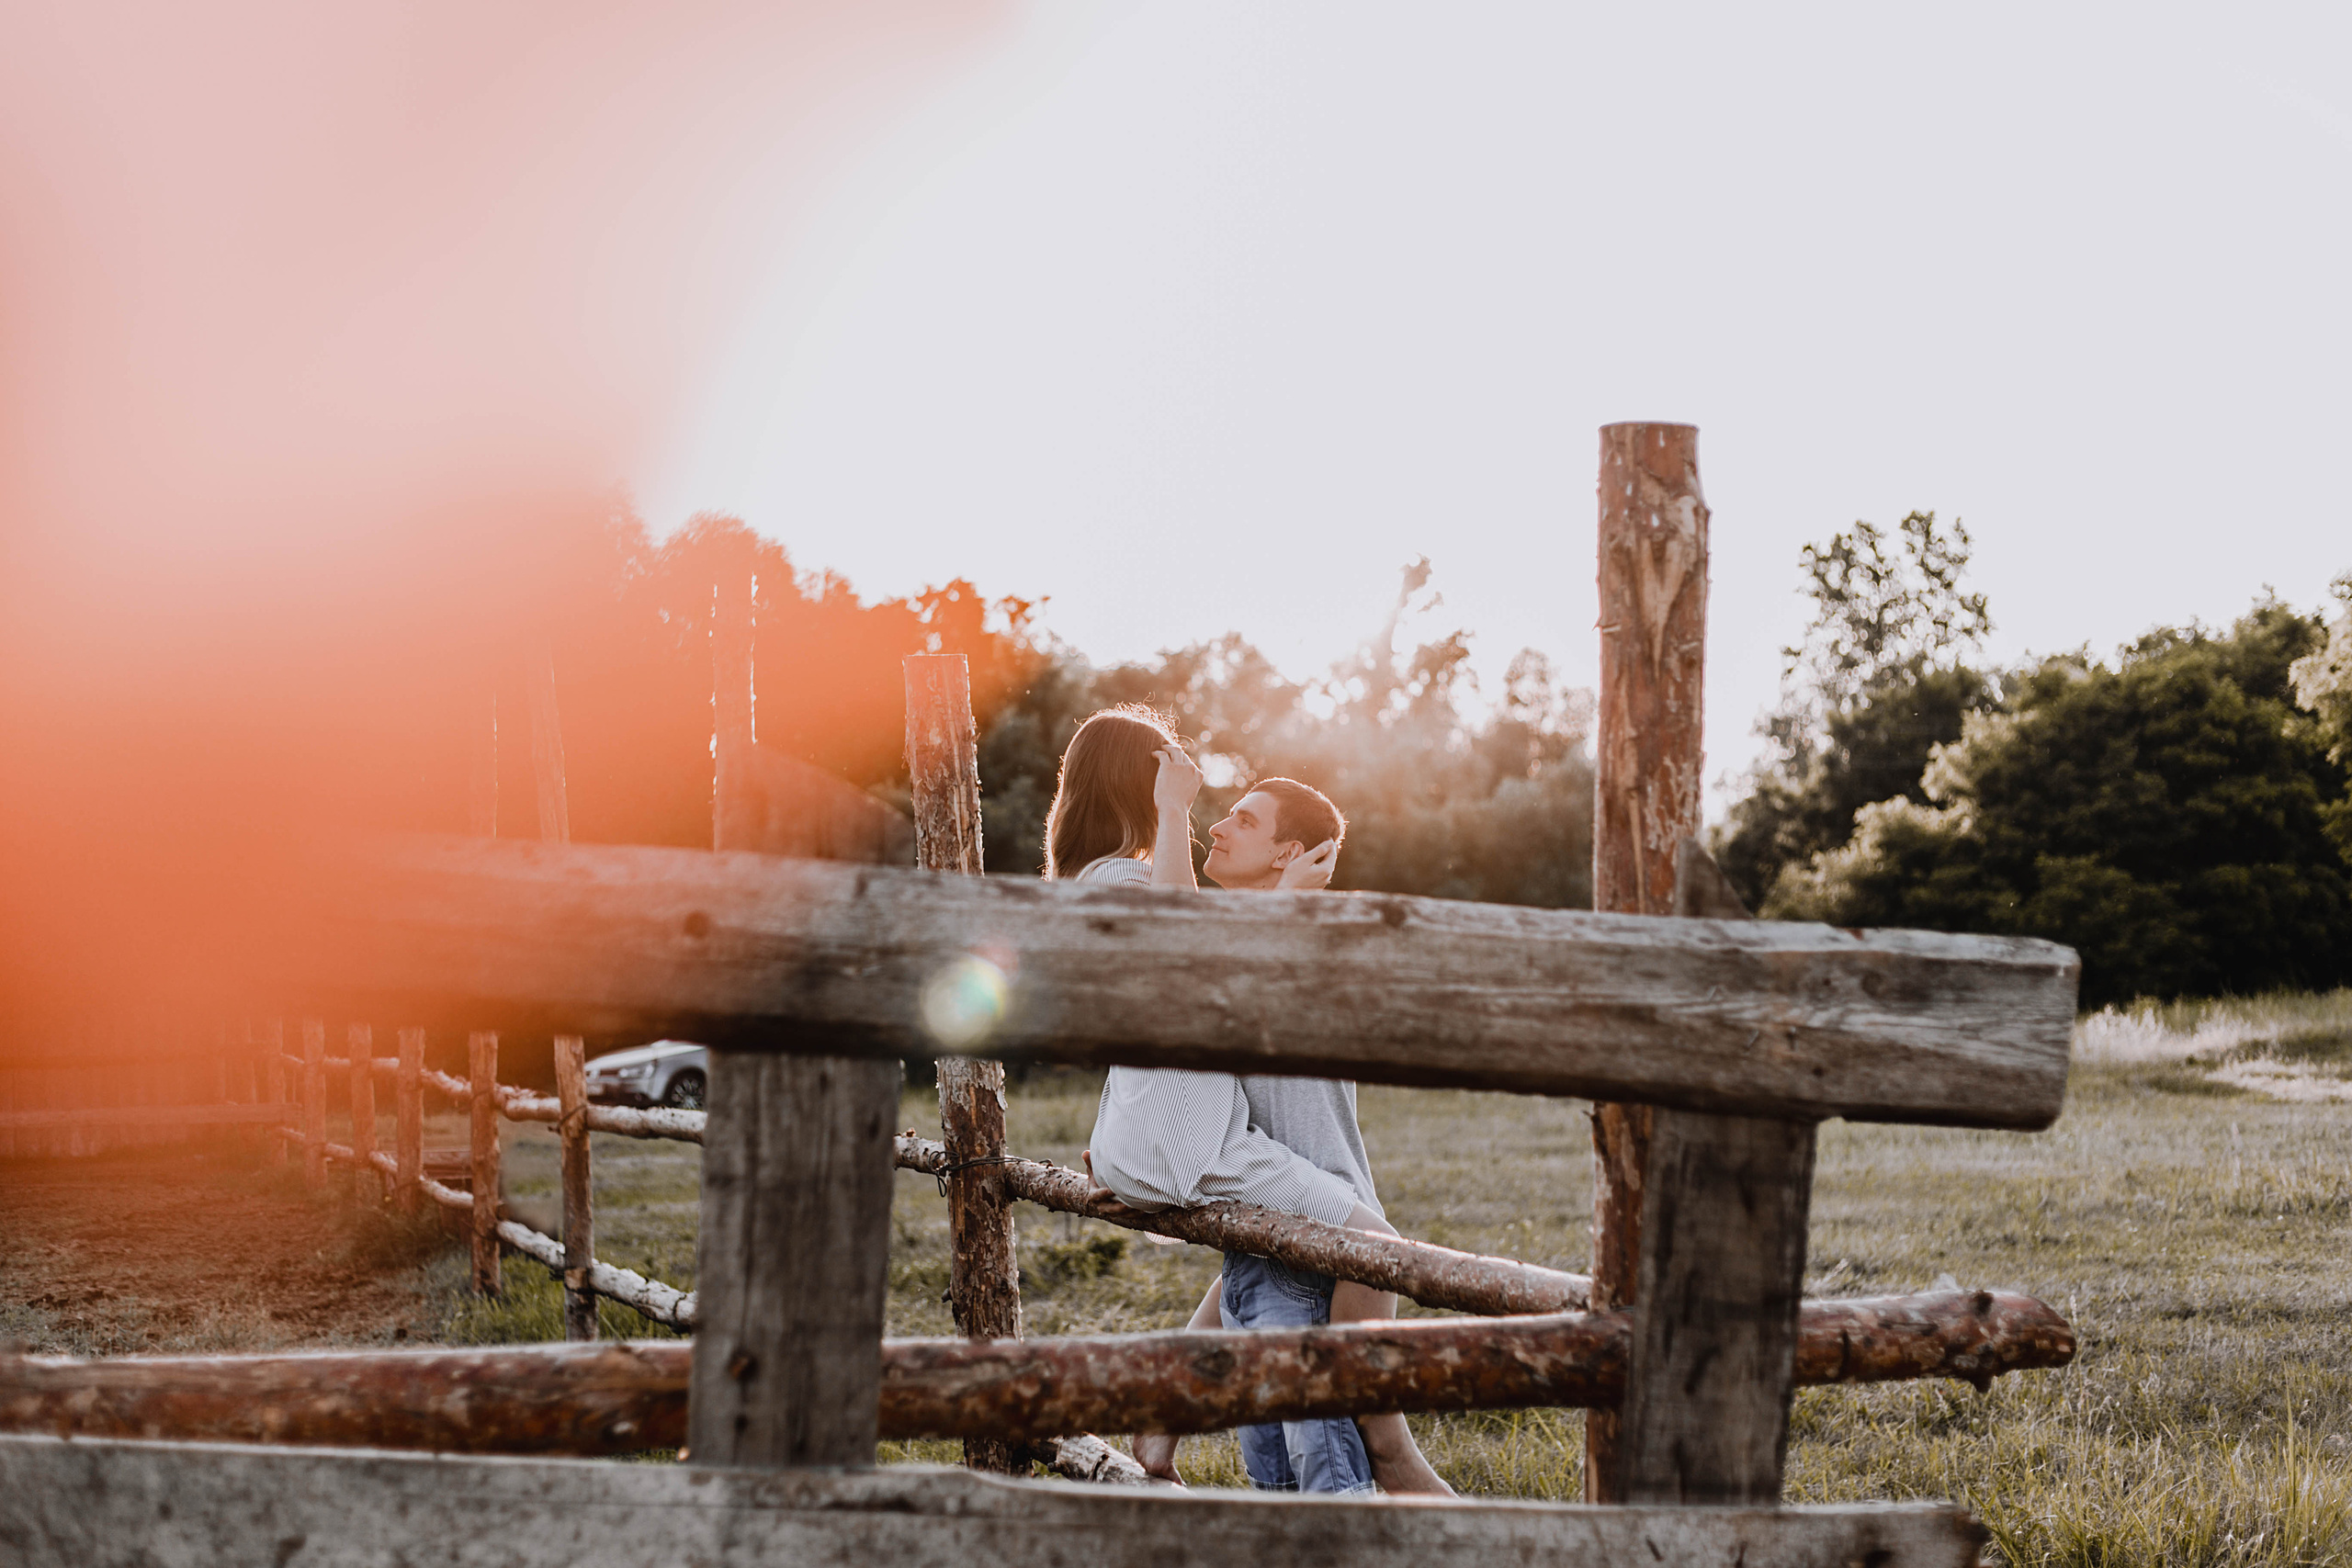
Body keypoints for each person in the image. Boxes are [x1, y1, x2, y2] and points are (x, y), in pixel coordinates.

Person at [1045, 706, 1450, 1495]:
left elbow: (1183, 988)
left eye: (1240, 817)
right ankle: (1379, 1429)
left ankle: (1170, 1413)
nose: (1210, 819)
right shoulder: (1130, 877)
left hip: (1176, 1138)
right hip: (1195, 1143)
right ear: (1141, 784)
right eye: (1177, 783)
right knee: (1366, 1249)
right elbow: (1195, 960)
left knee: (1257, 1258)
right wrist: (1254, 881)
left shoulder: (1103, 880)